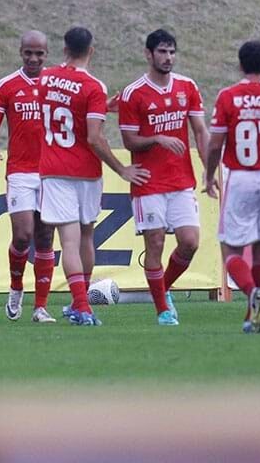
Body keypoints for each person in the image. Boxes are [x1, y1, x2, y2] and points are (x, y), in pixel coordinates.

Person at [40, 27, 149, 326]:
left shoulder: (46, 78)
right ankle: (81, 305)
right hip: (87, 172)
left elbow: (57, 109)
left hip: (56, 170)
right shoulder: (93, 87)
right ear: (92, 50)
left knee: (69, 243)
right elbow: (94, 137)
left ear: (64, 49)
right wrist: (121, 168)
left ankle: (82, 306)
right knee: (87, 236)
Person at [118, 29, 210, 326]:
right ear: (148, 54)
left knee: (190, 242)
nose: (168, 57)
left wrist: (210, 168)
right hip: (148, 181)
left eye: (172, 52)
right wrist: (157, 138)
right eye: (162, 52)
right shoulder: (134, 93)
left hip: (181, 180)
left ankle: (162, 289)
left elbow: (200, 130)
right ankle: (163, 311)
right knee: (155, 244)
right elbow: (130, 141)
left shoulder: (187, 86)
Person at [203, 41, 260, 333]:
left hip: (242, 176)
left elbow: (216, 143)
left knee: (230, 250)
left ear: (240, 65)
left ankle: (250, 292)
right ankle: (252, 315)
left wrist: (208, 175)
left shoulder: (229, 96)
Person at [0, 30, 57, 322]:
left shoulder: (56, 85)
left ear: (47, 54)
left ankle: (40, 307)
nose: (34, 58)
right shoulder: (7, 85)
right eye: (29, 53)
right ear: (20, 52)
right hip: (20, 172)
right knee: (23, 234)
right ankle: (16, 286)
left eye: (39, 53)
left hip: (52, 172)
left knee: (45, 237)